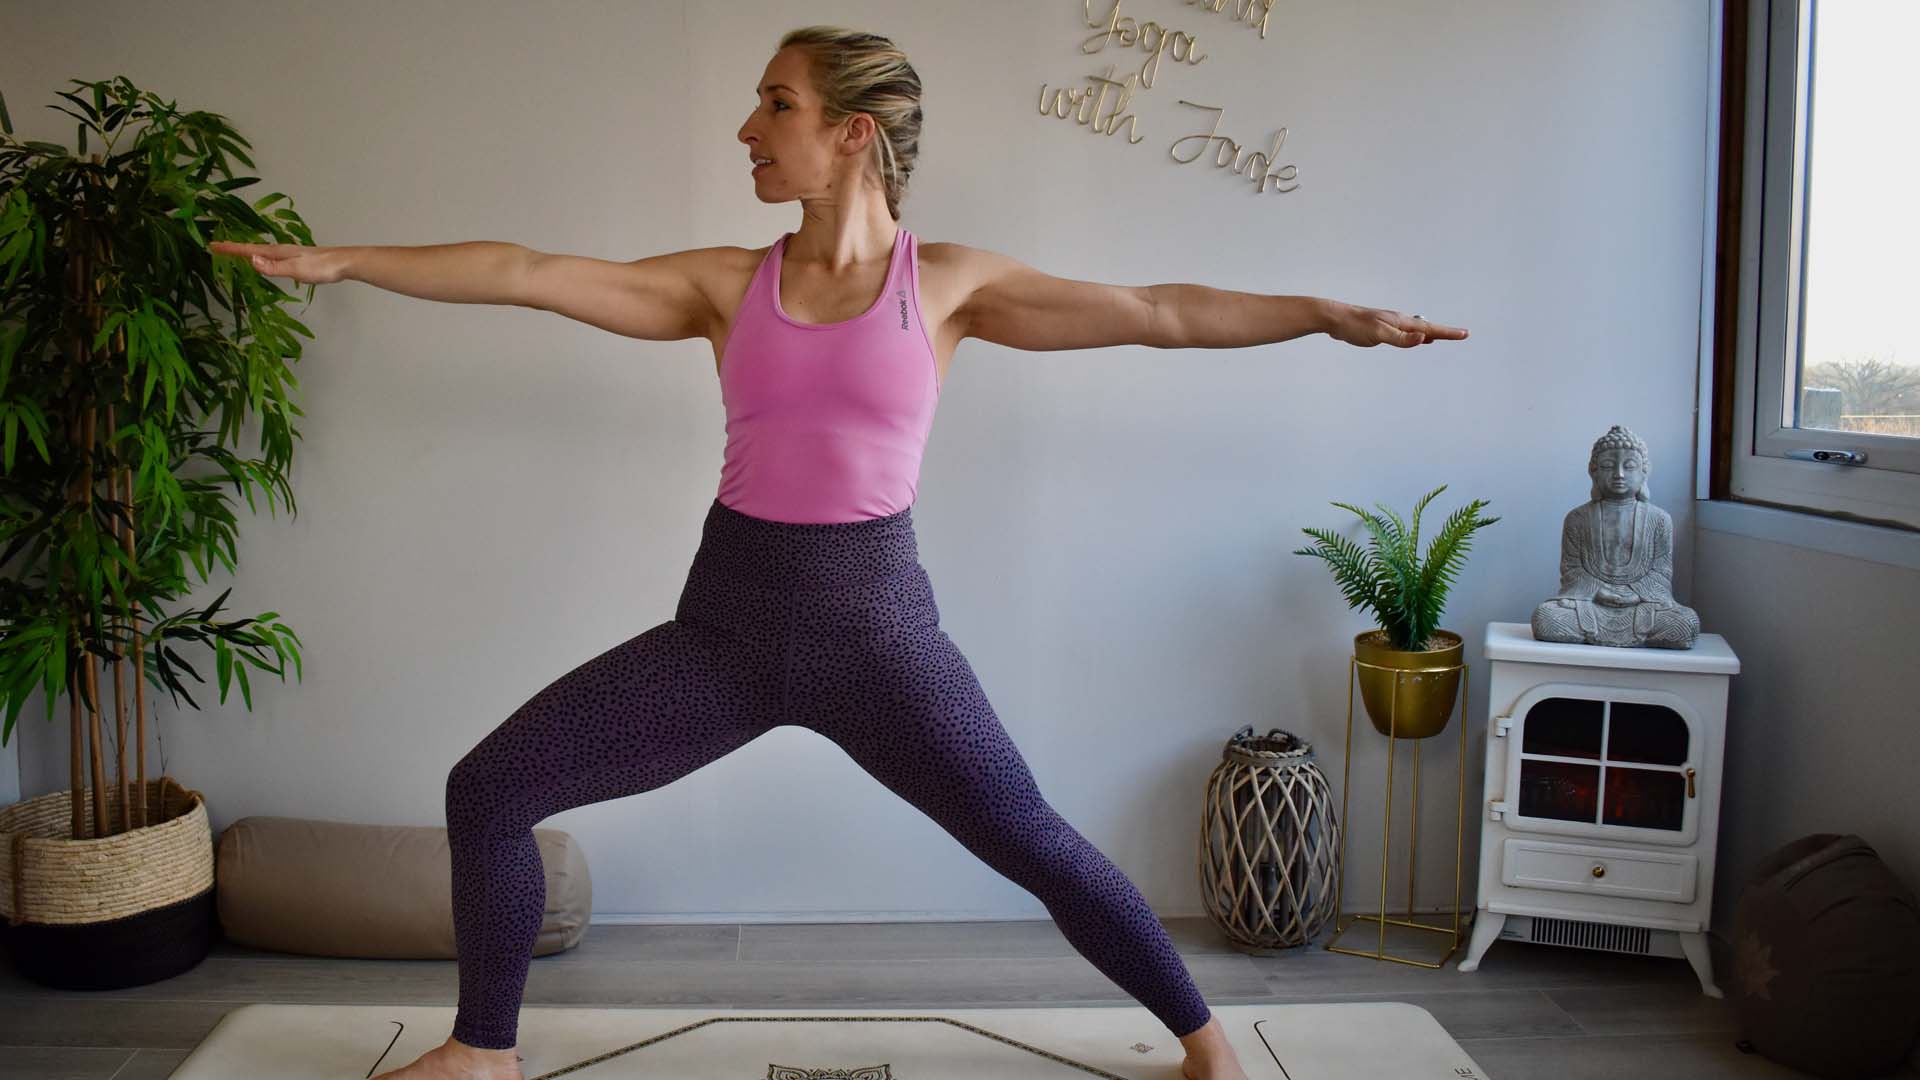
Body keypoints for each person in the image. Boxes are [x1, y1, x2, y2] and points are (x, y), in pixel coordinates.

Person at [212, 25, 1467, 1080]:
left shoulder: (953, 285)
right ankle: (485, 1054)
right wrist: (347, 262)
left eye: (777, 104)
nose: (749, 129)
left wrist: (1326, 316)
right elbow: (535, 273)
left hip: (882, 640)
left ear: (853, 132)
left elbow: (1160, 312)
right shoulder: (725, 284)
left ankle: (1205, 1048)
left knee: (1031, 838)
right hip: (727, 634)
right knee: (488, 791)